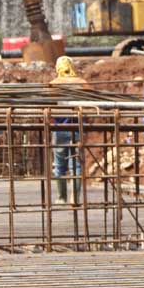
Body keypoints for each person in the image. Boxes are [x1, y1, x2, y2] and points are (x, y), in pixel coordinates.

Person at [49, 56, 89, 205]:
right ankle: (75, 198)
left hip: (59, 129)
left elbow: (48, 108)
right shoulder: (82, 84)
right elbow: (90, 105)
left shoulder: (53, 84)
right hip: (78, 127)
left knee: (59, 165)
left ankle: (61, 197)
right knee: (77, 165)